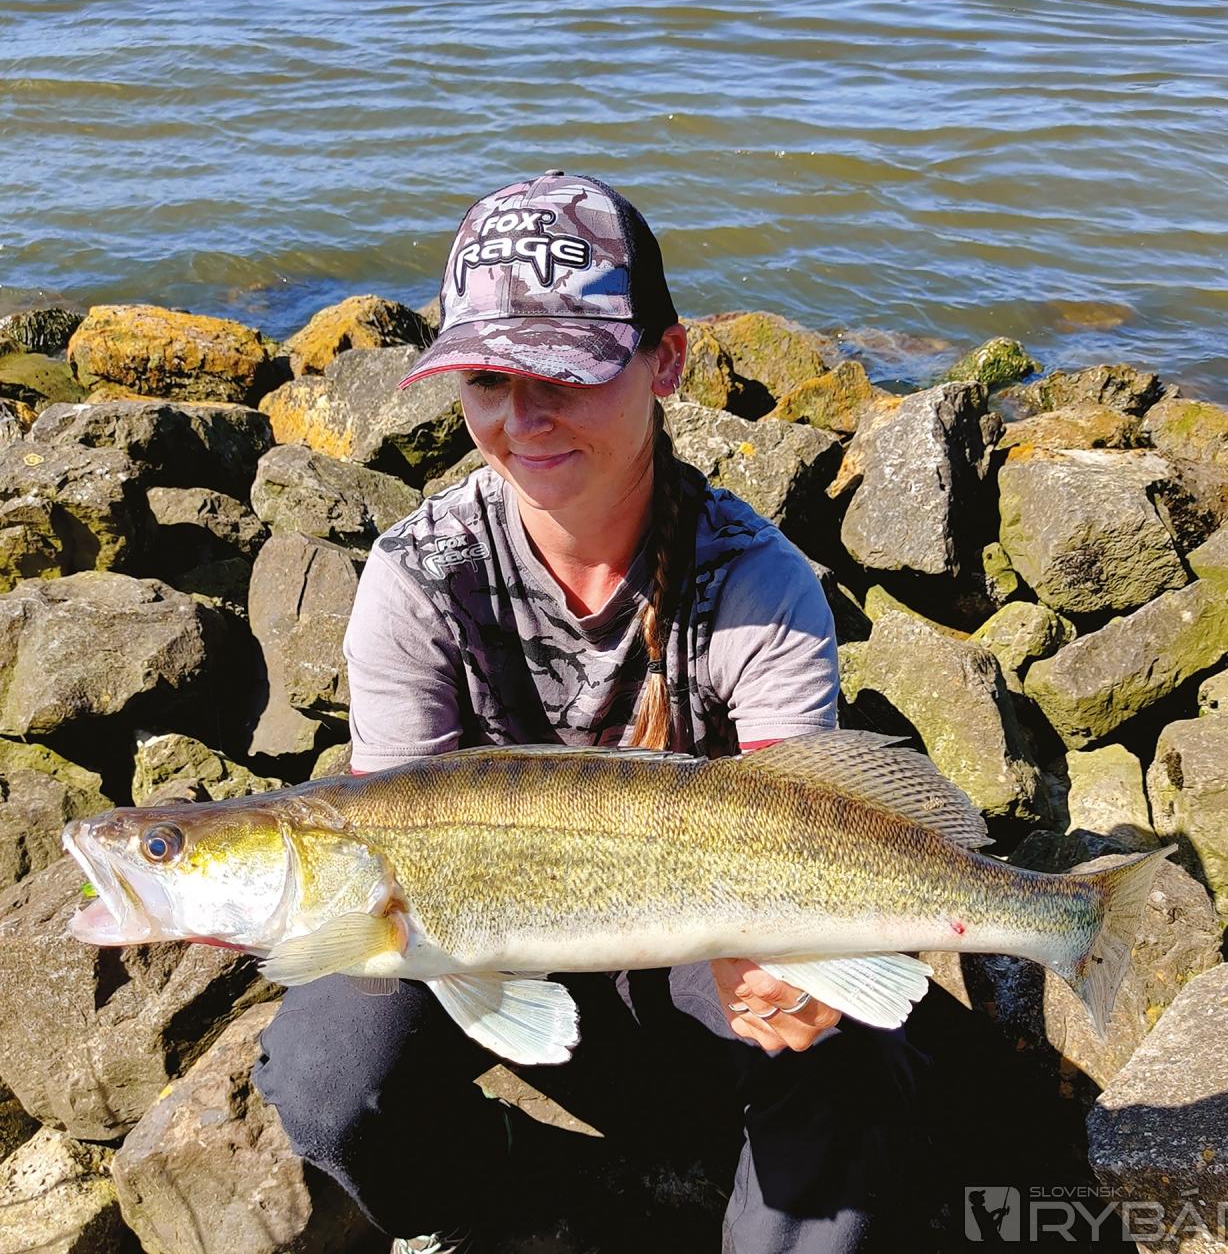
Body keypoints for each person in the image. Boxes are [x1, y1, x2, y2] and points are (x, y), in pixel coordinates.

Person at [251, 172, 926, 1253]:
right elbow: (388, 854)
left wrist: (780, 961)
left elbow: (806, 830)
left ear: (667, 361)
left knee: (842, 1067)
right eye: (486, 379)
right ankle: (511, 1194)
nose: (522, 419)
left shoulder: (760, 583)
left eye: (565, 372)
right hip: (484, 930)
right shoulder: (417, 577)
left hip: (700, 947)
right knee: (329, 1070)